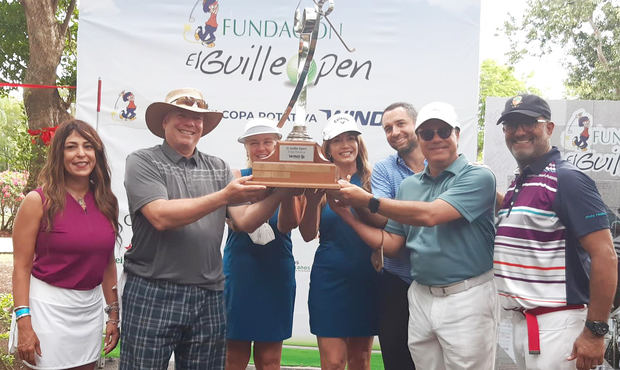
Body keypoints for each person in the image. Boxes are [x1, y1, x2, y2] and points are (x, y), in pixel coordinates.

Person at [121, 88, 291, 369]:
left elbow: (246, 221)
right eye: (182, 114)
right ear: (164, 121)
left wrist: (282, 189)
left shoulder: (218, 167)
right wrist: (224, 196)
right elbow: (160, 215)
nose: (191, 122)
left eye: (198, 117)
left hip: (209, 294)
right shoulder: (143, 161)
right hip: (154, 289)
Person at [329, 102, 498, 369]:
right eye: (428, 134)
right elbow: (394, 245)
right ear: (419, 139)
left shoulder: (479, 176)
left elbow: (431, 215)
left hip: (466, 296)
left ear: (456, 133)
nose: (436, 139)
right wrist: (348, 215)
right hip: (419, 295)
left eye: (443, 131)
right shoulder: (408, 186)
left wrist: (369, 201)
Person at [493, 94, 617, 370]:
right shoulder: (522, 180)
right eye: (511, 124)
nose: (520, 131)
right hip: (526, 323)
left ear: (549, 128)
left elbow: (605, 256)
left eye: (528, 122)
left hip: (557, 325)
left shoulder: (568, 178)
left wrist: (595, 331)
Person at [11, 119, 120, 369]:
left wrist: (113, 316)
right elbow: (21, 267)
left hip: (89, 311)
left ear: (97, 154)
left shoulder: (106, 201)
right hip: (47, 311)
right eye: (71, 147)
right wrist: (24, 322)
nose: (81, 154)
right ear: (59, 154)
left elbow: (107, 263)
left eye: (88, 146)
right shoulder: (37, 201)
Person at [299, 113, 379, 370]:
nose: (346, 145)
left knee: (361, 360)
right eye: (337, 140)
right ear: (328, 149)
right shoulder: (319, 181)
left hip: (367, 278)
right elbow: (308, 234)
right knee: (333, 363)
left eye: (351, 138)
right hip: (330, 280)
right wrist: (313, 199)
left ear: (359, 143)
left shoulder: (374, 180)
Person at [223, 118, 304, 370]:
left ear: (278, 145)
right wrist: (275, 190)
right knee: (233, 356)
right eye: (254, 143)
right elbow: (241, 222)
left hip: (276, 272)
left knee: (270, 360)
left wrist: (286, 187)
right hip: (241, 270)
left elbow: (288, 224)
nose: (261, 148)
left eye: (268, 142)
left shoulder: (294, 180)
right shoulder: (236, 178)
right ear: (245, 147)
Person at [366, 102, 423, 370]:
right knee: (396, 358)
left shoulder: (445, 162)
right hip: (396, 279)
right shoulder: (384, 168)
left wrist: (392, 208)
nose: (394, 132)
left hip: (435, 281)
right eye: (388, 128)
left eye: (401, 124)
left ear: (416, 124)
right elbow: (382, 216)